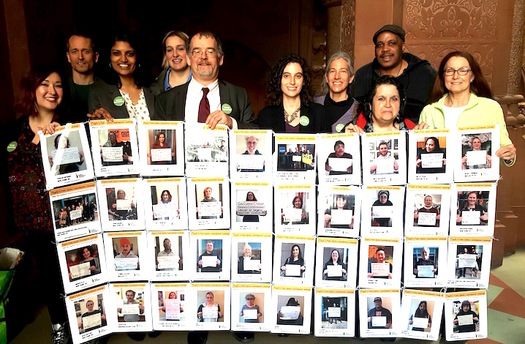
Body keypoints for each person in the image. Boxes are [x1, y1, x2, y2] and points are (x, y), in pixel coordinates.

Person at [4, 65, 71, 343]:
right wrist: (35, 140)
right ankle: (59, 327)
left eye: (58, 85)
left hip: (65, 216)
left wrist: (60, 140)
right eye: (45, 84)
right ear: (33, 88)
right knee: (48, 278)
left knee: (72, 274)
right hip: (31, 221)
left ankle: (84, 324)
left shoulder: (69, 124)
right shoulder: (13, 129)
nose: (52, 91)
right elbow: (9, 170)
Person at [418, 50, 516, 166]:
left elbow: (503, 148)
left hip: (477, 182)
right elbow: (424, 155)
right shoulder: (429, 111)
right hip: (440, 183)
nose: (455, 76)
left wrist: (508, 156)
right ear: (443, 76)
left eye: (463, 71)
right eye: (450, 71)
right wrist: (417, 138)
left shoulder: (491, 107)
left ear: (472, 76)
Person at [154, 31, 256, 129]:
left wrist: (231, 123)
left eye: (210, 51)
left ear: (220, 59)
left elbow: (257, 133)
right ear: (189, 59)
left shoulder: (239, 95)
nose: (203, 57)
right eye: (197, 51)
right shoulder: (165, 100)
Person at [350, 24, 436, 123]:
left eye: (391, 43)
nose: (385, 49)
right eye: (380, 45)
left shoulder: (424, 74)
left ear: (402, 47)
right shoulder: (363, 75)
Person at [88, 32, 155, 121]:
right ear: (110, 56)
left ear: (137, 57)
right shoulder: (98, 92)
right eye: (117, 53)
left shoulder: (155, 89)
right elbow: (97, 130)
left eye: (130, 54)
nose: (123, 59)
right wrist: (98, 121)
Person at [257, 54, 328, 133]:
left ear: (304, 81)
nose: (292, 82)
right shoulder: (265, 115)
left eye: (298, 76)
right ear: (279, 80)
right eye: (286, 76)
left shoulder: (318, 113)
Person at [346, 75, 415, 134]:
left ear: (400, 104)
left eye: (394, 99)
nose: (388, 105)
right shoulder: (353, 130)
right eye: (381, 99)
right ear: (370, 104)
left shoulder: (411, 130)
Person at [314, 51, 358, 132]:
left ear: (351, 78)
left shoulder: (358, 109)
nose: (337, 76)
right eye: (332, 71)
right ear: (326, 77)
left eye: (343, 71)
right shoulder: (315, 103)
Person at [64, 32, 99, 123]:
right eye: (74, 51)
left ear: (96, 57)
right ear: (68, 57)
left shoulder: (108, 89)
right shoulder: (61, 90)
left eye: (86, 51)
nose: (80, 57)